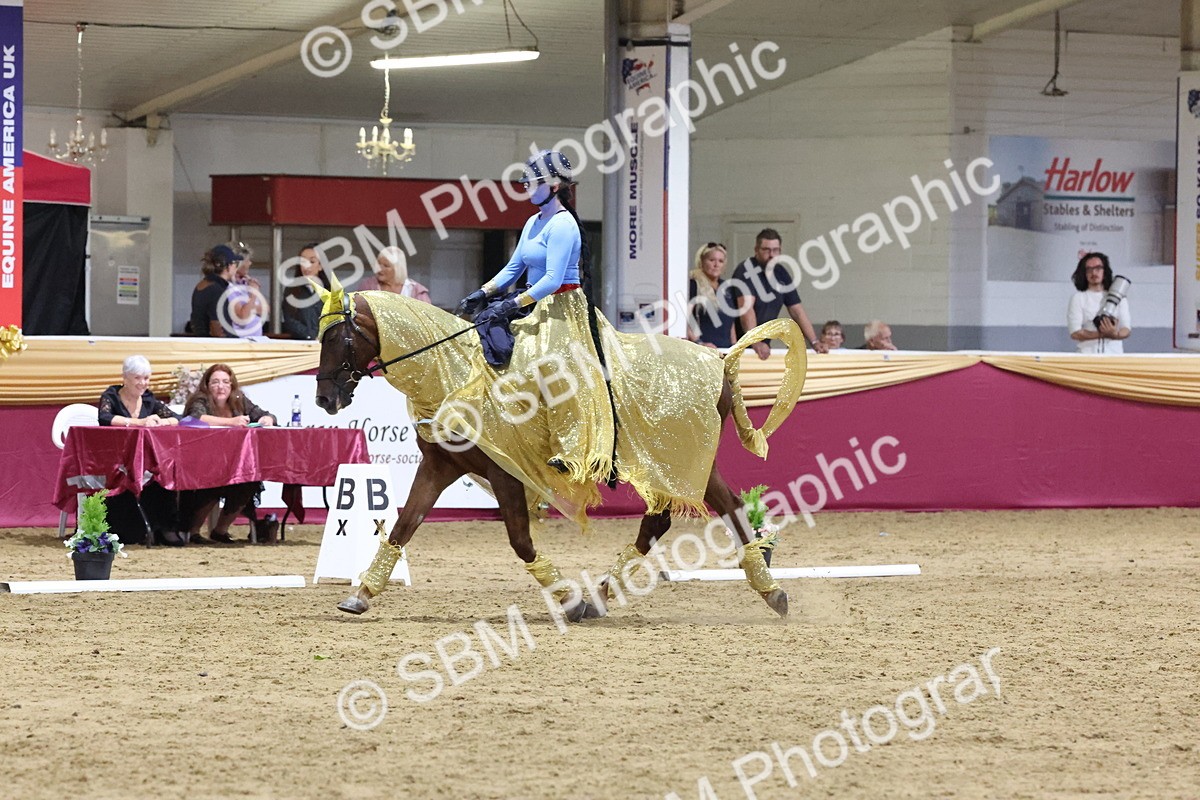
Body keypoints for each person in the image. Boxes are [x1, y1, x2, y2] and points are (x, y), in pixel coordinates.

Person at [454, 149, 616, 481]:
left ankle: (571, 449)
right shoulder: (533, 221)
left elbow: (553, 279)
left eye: (533, 182)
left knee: (552, 367)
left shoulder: (562, 224)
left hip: (562, 306)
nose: (527, 187)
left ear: (554, 185)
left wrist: (513, 304)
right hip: (532, 301)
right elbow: (514, 268)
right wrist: (483, 292)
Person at [182, 364, 276, 543]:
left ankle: (220, 530)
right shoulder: (200, 400)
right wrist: (232, 421)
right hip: (202, 461)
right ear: (207, 384)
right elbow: (196, 418)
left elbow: (265, 414)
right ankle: (193, 532)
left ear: (232, 385)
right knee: (215, 481)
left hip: (233, 461)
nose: (221, 386)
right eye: (215, 382)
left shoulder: (239, 399)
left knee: (249, 481)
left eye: (226, 382)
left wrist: (267, 419)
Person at [732, 228, 826, 358]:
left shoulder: (781, 273)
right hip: (741, 346)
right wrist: (755, 342)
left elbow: (797, 311)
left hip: (761, 346)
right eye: (766, 250)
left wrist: (815, 341)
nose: (771, 255)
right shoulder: (746, 270)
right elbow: (747, 309)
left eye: (775, 250)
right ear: (756, 250)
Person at [1068, 252, 1131, 354]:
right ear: (1084, 273)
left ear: (1104, 271)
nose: (1094, 273)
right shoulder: (1078, 298)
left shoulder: (1119, 297)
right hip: (1087, 357)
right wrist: (1103, 334)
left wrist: (1115, 335)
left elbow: (1126, 329)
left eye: (1098, 268)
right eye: (1089, 269)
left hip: (1114, 357)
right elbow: (1075, 333)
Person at [98, 355, 182, 428]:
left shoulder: (147, 398)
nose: (142, 383)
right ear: (125, 378)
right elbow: (104, 418)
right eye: (137, 378)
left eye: (146, 378)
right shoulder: (112, 396)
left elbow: (178, 418)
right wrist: (140, 422)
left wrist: (161, 422)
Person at [686, 242, 740, 348]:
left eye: (720, 261)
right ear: (701, 261)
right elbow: (685, 319)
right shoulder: (693, 285)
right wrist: (699, 343)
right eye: (711, 260)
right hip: (703, 350)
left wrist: (735, 345)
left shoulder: (727, 287)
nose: (716, 265)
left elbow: (730, 322)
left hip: (725, 349)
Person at [189, 245, 241, 337]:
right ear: (228, 266)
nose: (236, 267)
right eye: (235, 263)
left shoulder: (203, 284)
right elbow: (217, 327)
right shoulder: (217, 290)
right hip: (215, 346)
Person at [281, 243, 330, 339]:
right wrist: (312, 336)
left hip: (327, 344)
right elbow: (290, 321)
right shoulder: (291, 290)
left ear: (320, 266)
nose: (306, 266)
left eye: (312, 261)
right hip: (302, 344)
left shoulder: (330, 290)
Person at [224, 241, 268, 338]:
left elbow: (265, 309)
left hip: (256, 339)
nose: (250, 263)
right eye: (247, 260)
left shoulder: (247, 284)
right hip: (241, 340)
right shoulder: (228, 287)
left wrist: (251, 306)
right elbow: (243, 316)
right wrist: (253, 295)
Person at [358, 245, 432, 302]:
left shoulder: (415, 291)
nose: (379, 268)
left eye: (386, 266)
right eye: (378, 264)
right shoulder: (367, 286)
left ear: (398, 269)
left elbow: (427, 318)